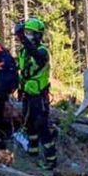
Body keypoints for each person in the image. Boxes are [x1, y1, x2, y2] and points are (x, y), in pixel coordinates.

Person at [16, 17, 55, 167]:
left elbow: (37, 57)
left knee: (42, 126)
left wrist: (22, 38)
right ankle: (32, 151)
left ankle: (51, 159)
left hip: (39, 96)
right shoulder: (23, 51)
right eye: (26, 32)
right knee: (29, 124)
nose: (27, 35)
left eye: (30, 33)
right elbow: (23, 71)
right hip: (27, 93)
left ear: (38, 35)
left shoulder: (42, 51)